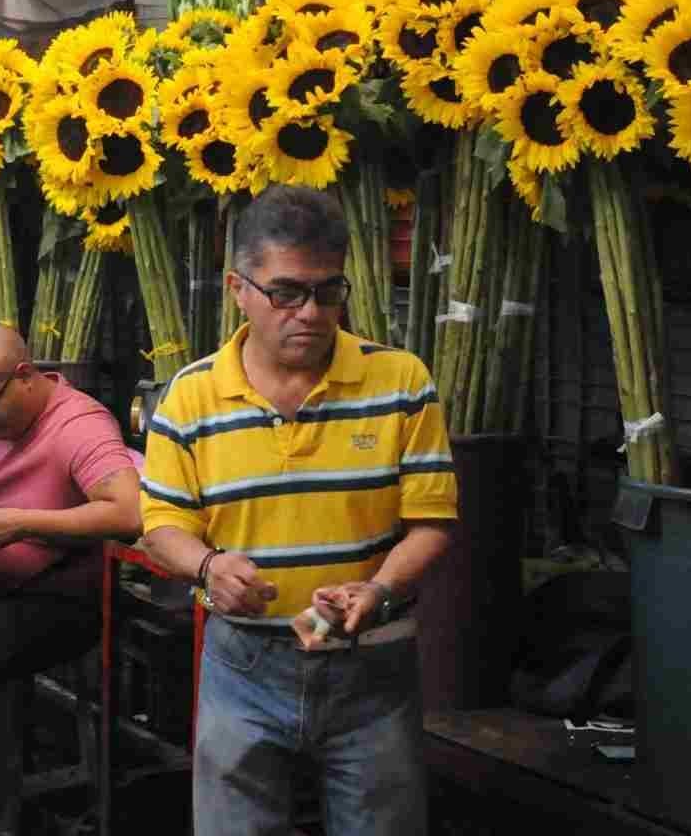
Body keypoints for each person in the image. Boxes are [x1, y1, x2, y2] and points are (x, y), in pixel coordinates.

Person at [138, 185, 457, 836]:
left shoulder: (401, 383)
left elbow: (431, 524)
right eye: (286, 292)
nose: (310, 312)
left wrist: (381, 587)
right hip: (243, 667)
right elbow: (162, 527)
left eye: (328, 292)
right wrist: (207, 567)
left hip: (372, 665)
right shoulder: (191, 398)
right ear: (238, 288)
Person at [0, 315, 143, 836]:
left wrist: (25, 524)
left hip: (59, 596)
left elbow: (127, 514)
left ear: (24, 374)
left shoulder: (80, 426)